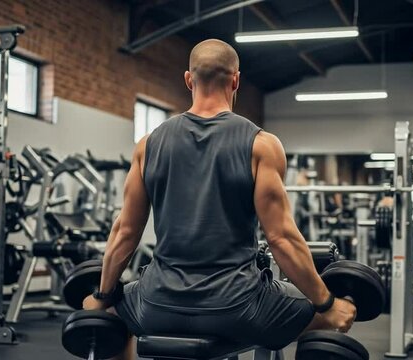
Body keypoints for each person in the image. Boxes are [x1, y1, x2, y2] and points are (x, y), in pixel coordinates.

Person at [82, 39, 356, 360]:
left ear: (188, 79)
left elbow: (125, 232)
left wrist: (102, 296)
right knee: (333, 317)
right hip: (238, 307)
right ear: (236, 80)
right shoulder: (261, 144)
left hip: (156, 304)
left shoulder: (147, 145)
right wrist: (328, 303)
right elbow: (280, 238)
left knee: (104, 322)